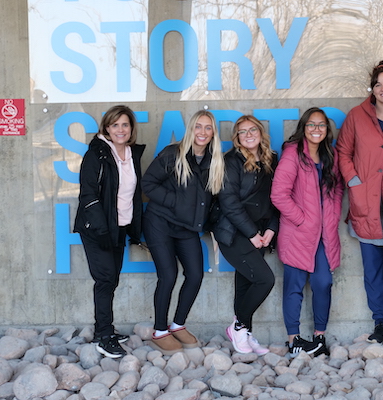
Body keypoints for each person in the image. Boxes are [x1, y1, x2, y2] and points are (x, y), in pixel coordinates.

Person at [336, 60, 383, 344]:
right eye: (378, 84)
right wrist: (354, 181)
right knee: (373, 268)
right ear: (372, 88)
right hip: (365, 203)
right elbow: (343, 152)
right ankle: (379, 321)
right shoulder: (357, 115)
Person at [142, 110, 225, 354]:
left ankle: (177, 325)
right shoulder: (173, 154)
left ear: (213, 133)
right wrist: (175, 202)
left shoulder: (214, 161)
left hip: (187, 228)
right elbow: (148, 184)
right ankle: (159, 331)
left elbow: (210, 199)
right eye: (198, 126)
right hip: (160, 223)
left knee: (196, 274)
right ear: (190, 129)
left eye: (208, 128)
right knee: (168, 276)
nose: (202, 132)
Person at [271, 108, 344, 357]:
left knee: (323, 282)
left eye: (321, 125)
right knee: (294, 285)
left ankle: (319, 337)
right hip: (298, 234)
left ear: (327, 129)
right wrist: (302, 219)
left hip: (324, 234)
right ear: (303, 128)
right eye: (311, 125)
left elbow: (337, 190)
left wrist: (331, 217)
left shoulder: (330, 155)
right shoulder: (293, 154)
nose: (316, 129)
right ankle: (294, 340)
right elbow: (278, 194)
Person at [74, 105, 145, 359]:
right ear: (106, 128)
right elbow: (88, 194)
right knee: (104, 280)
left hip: (119, 227)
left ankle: (105, 328)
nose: (120, 129)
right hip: (97, 229)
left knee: (112, 279)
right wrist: (102, 229)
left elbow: (132, 195)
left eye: (125, 124)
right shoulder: (97, 154)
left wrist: (135, 229)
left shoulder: (131, 153)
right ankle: (104, 336)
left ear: (131, 128)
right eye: (115, 125)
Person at [213, 115, 278, 355]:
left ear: (261, 133)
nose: (249, 134)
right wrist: (252, 234)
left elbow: (276, 199)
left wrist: (271, 229)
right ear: (237, 138)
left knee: (246, 283)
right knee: (264, 280)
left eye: (253, 130)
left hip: (260, 233)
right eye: (243, 131)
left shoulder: (271, 160)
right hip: (234, 233)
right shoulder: (231, 161)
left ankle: (244, 334)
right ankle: (238, 327)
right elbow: (228, 202)